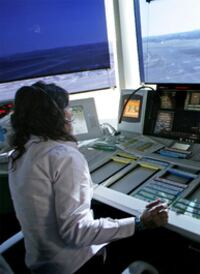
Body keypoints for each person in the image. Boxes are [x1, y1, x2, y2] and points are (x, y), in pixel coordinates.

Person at [8, 81, 168, 274]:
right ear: (58, 116)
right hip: (76, 265)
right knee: (159, 242)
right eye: (67, 108)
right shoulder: (63, 157)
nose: (70, 113)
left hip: (40, 263)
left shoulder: (18, 154)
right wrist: (140, 222)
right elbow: (77, 232)